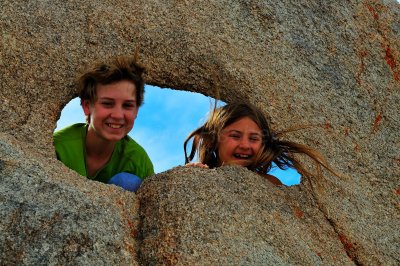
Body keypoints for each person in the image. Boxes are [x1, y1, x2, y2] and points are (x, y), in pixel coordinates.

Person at [54, 55, 154, 192]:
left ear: (136, 110)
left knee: (127, 182)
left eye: (127, 105)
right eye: (107, 104)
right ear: (87, 106)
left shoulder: (138, 162)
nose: (118, 115)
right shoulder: (59, 146)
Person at [184, 102, 339, 186]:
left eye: (253, 138)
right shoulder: (200, 174)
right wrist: (191, 176)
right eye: (235, 136)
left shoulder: (268, 182)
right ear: (213, 140)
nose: (245, 145)